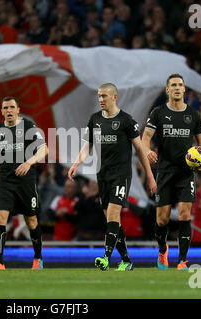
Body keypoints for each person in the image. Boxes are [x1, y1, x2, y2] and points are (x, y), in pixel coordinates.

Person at [68, 83, 157, 271]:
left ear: (114, 97)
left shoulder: (126, 120)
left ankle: (106, 258)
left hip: (121, 175)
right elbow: (88, 145)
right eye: (99, 96)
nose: (101, 100)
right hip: (103, 176)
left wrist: (149, 176)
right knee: (111, 220)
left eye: (104, 96)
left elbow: (140, 150)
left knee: (114, 214)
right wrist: (76, 163)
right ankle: (126, 260)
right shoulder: (95, 119)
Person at [142, 73, 201, 270]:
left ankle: (182, 260)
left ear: (184, 89)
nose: (177, 88)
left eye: (180, 85)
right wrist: (146, 150)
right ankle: (163, 250)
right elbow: (145, 139)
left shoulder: (194, 115)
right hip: (165, 171)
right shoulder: (158, 113)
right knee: (162, 219)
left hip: (186, 172)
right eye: (173, 85)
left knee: (185, 214)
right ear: (167, 90)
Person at [0, 96, 49, 270]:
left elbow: (45, 149)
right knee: (0, 218)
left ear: (18, 109)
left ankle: (38, 258)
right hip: (5, 183)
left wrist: (29, 162)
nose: (8, 111)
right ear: (1, 111)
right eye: (5, 108)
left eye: (11, 107)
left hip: (25, 183)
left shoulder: (28, 126)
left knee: (31, 221)